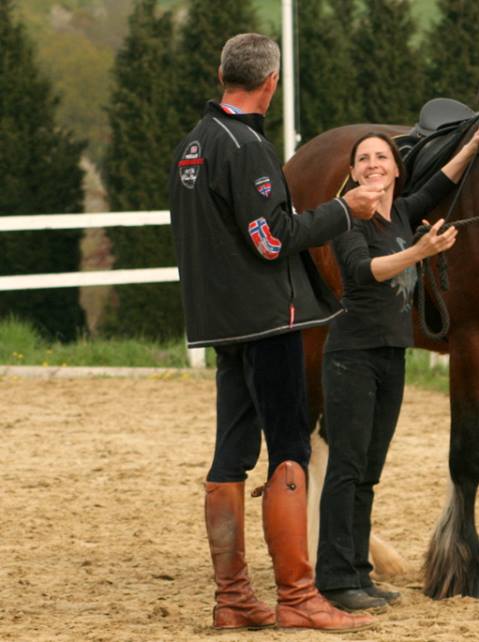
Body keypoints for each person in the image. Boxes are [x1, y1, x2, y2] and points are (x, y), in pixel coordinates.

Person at [168, 33, 385, 633]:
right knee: (288, 447)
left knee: (231, 453)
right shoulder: (247, 147)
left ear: (221, 74)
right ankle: (298, 597)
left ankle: (233, 598)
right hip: (268, 319)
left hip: (223, 321)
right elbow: (270, 238)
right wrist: (347, 211)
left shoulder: (193, 145)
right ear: (270, 83)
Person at [315, 122, 479, 610]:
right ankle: (334, 578)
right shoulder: (348, 218)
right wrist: (420, 252)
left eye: (382, 158)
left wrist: (473, 146)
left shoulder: (402, 212)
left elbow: (440, 185)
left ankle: (358, 575)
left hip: (391, 355)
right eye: (364, 159)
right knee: (346, 469)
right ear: (352, 173)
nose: (373, 165)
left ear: (396, 171)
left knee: (368, 471)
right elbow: (362, 270)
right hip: (352, 356)